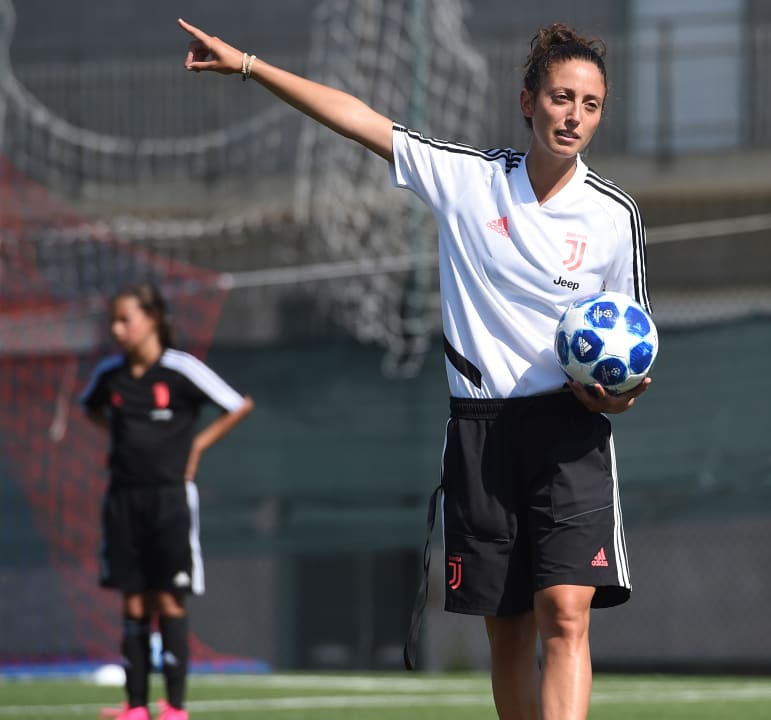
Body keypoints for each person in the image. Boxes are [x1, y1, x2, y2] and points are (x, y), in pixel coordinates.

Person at [178, 18, 650, 720]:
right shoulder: (469, 180)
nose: (573, 115)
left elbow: (634, 351)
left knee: (566, 615)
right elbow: (360, 120)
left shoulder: (614, 216)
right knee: (510, 628)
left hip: (570, 434)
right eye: (560, 97)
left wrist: (618, 398)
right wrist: (250, 64)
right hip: (481, 432)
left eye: (590, 103)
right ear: (528, 101)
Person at [81, 283, 254, 720]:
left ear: (151, 319)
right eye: (113, 322)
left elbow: (238, 405)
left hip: (170, 499)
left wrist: (194, 449)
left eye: (126, 319)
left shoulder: (180, 369)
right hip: (123, 499)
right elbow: (92, 408)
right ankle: (136, 706)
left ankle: (175, 707)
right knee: (133, 600)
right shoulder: (110, 374)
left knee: (169, 600)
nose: (117, 329)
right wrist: (124, 440)